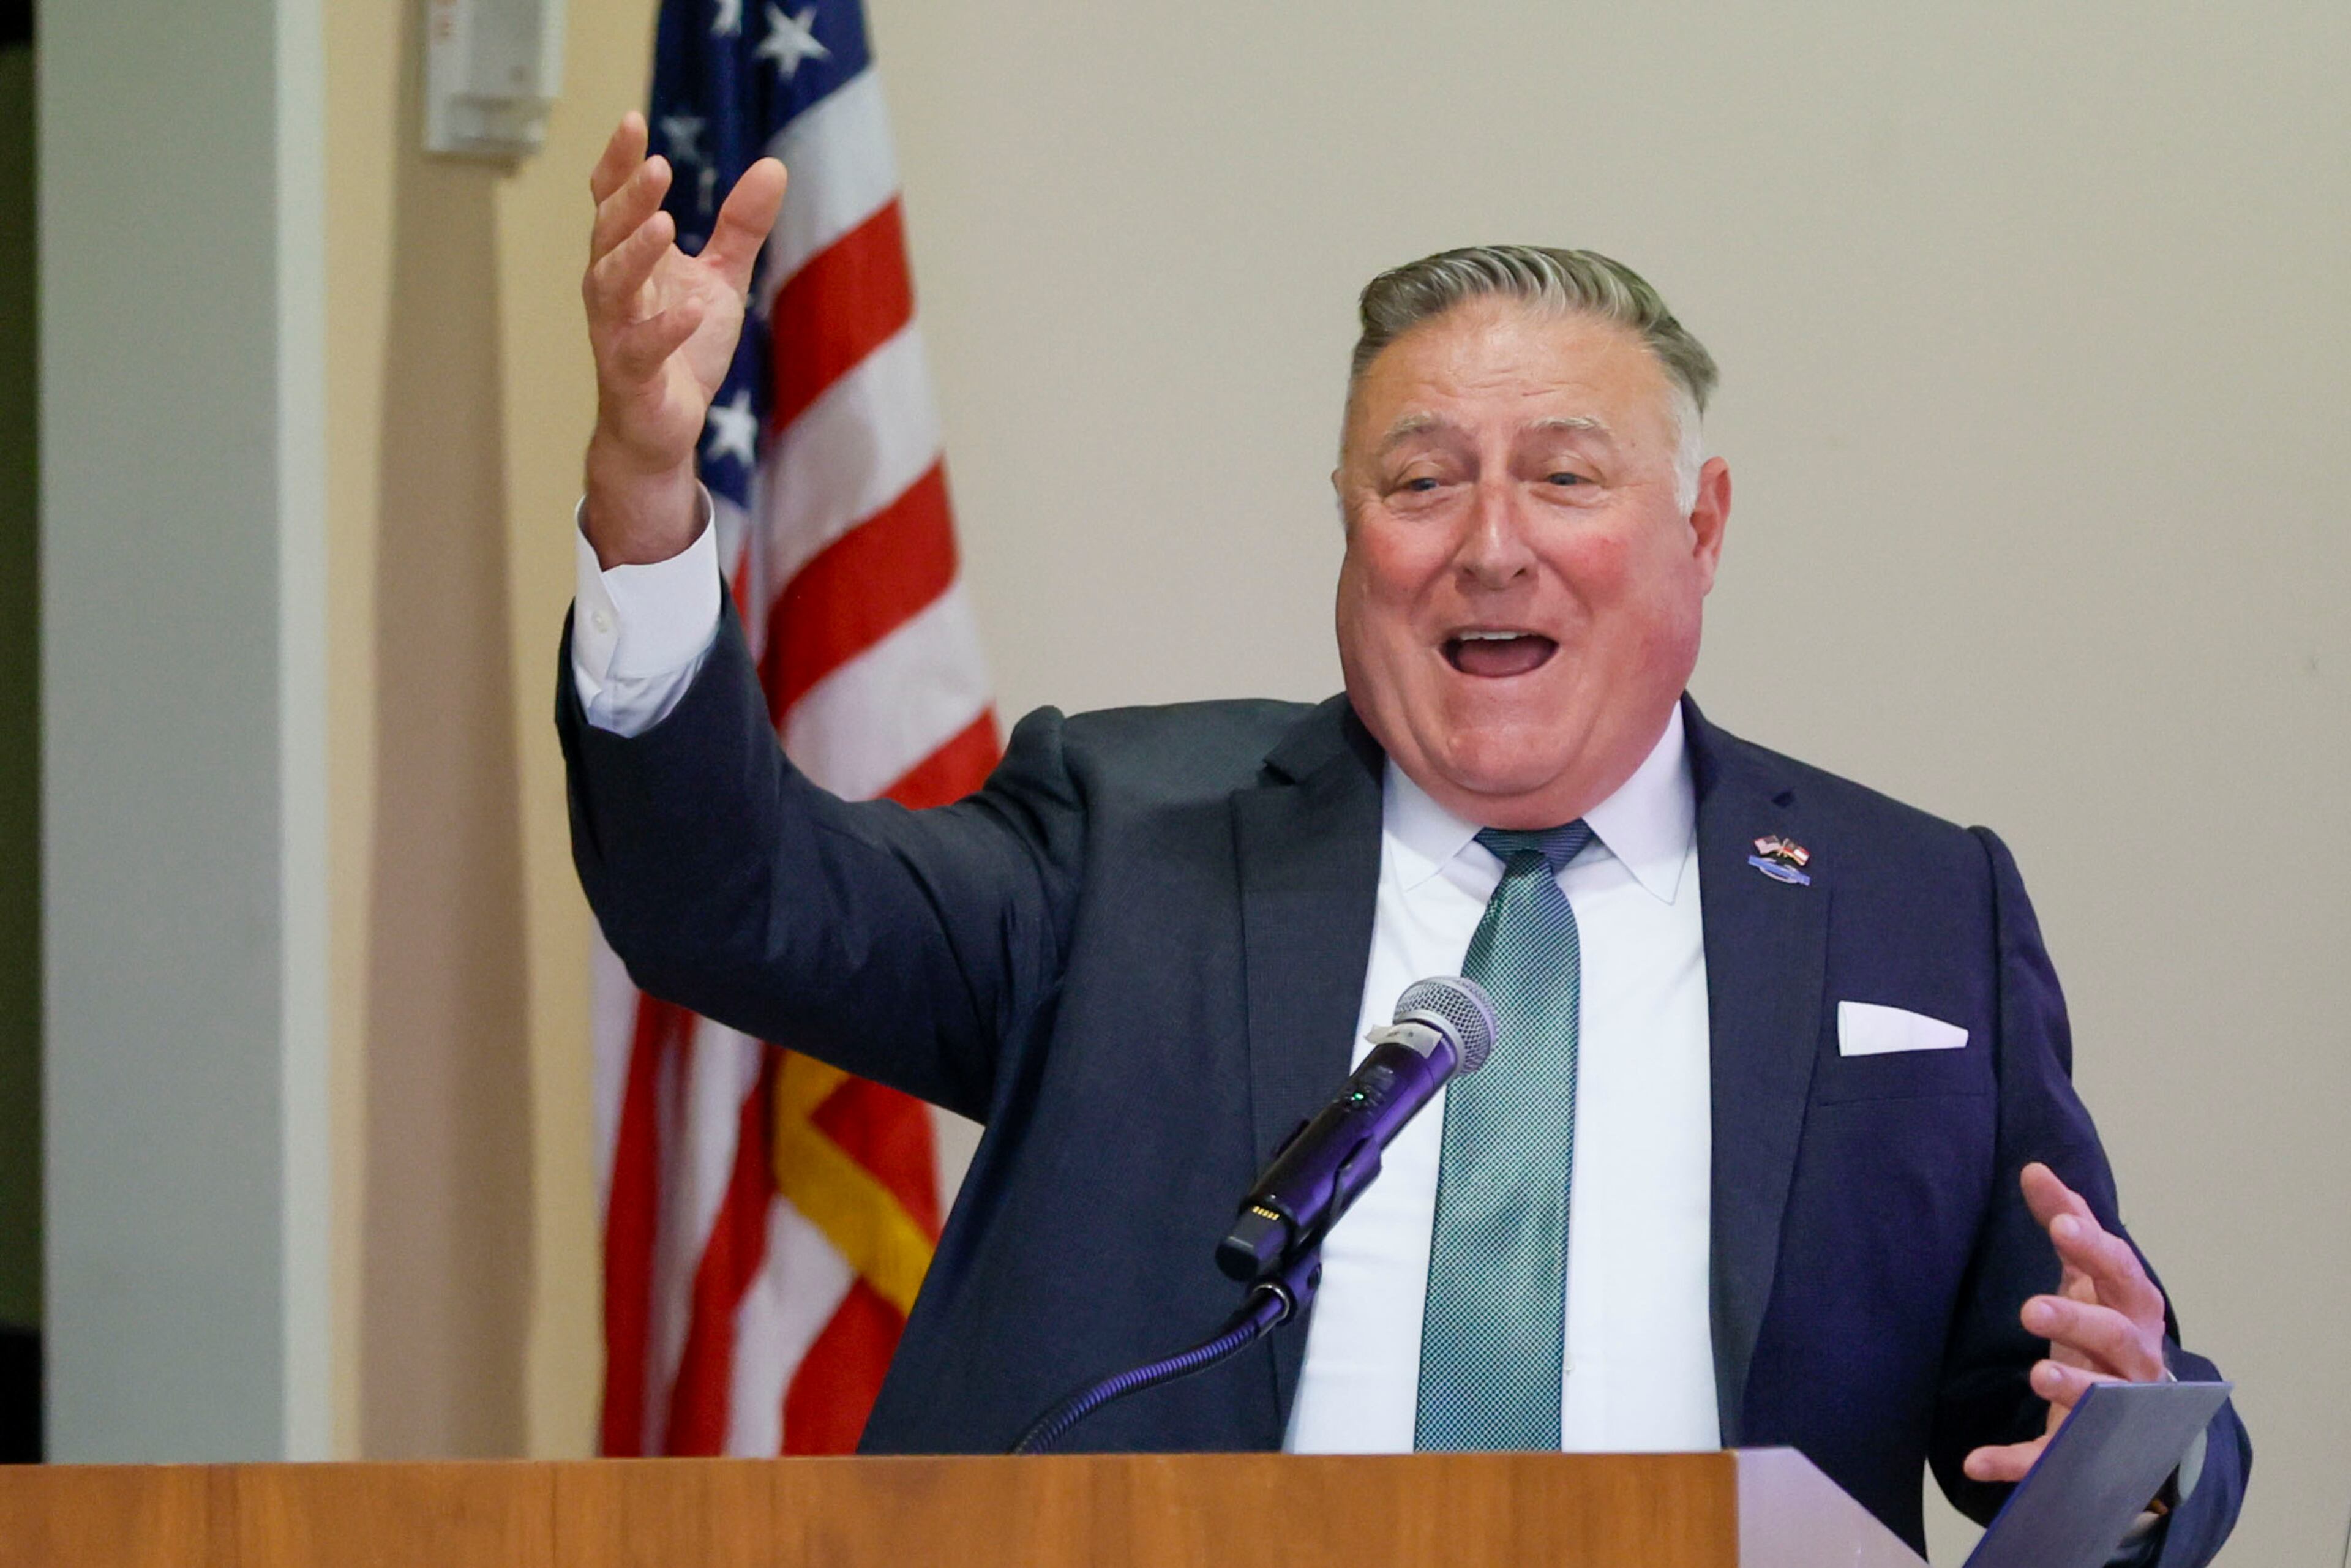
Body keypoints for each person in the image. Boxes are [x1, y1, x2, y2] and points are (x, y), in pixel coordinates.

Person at [560, 114, 2248, 1561]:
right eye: (1422, 479)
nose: (1490, 546)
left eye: (1566, 477)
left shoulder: (1915, 910)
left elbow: (2102, 1406)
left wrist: (2129, 1430)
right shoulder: (1125, 841)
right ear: (1353, 530)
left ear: (1701, 530)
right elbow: (733, 899)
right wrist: (649, 503)